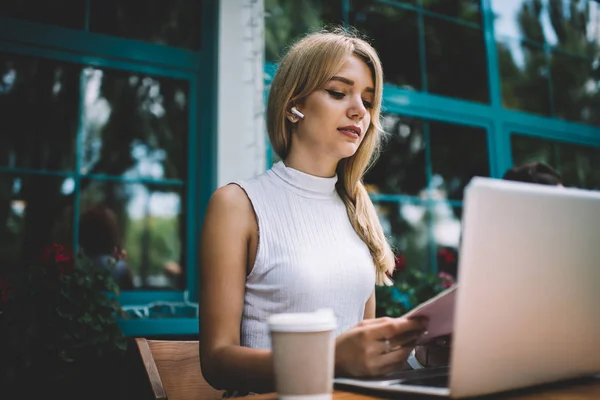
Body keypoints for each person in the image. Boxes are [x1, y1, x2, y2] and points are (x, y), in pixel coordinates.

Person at [199, 28, 431, 395]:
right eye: (339, 92)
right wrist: (329, 358)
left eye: (368, 102)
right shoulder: (237, 204)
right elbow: (216, 362)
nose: (359, 110)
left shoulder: (358, 209)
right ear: (294, 105)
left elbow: (360, 360)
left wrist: (422, 358)